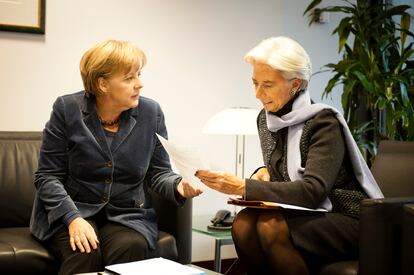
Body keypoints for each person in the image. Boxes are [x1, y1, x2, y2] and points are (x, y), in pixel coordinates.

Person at [195, 36, 383, 275]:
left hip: (346, 216)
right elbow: (279, 170)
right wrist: (261, 173)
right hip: (304, 213)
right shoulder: (266, 119)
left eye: (267, 84)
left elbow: (313, 191)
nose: (257, 94)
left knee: (270, 226)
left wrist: (243, 186)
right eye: (254, 83)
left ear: (295, 84)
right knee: (242, 223)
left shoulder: (323, 122)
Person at [30, 40, 202, 275]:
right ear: (102, 83)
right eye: (129, 78)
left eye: (139, 75)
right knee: (84, 249)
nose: (140, 84)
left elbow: (158, 172)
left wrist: (179, 186)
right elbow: (47, 177)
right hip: (72, 210)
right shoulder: (67, 109)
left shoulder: (151, 113)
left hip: (126, 215)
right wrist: (73, 218)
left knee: (131, 247)